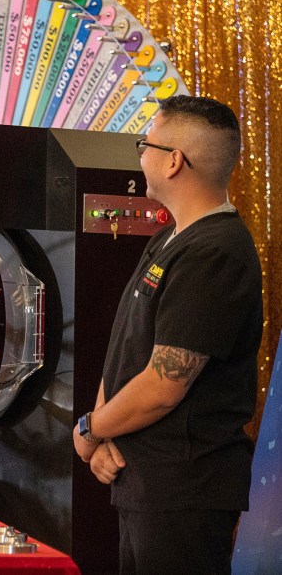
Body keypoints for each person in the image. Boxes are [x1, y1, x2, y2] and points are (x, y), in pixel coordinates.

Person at [73, 95, 262, 574]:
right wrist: (100, 433)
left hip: (185, 493)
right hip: (141, 482)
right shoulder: (171, 237)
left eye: (146, 145)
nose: (141, 157)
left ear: (175, 160)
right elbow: (126, 350)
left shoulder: (215, 252)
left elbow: (163, 385)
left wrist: (90, 428)